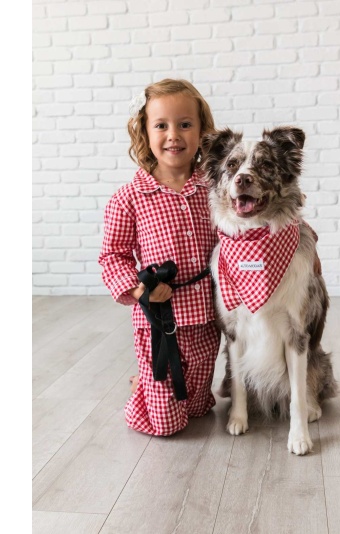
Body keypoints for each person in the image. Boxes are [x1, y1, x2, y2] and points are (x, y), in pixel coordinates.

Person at [98, 79, 221, 436]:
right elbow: (112, 256)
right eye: (161, 125)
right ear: (145, 132)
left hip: (206, 315)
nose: (174, 135)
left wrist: (303, 237)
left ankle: (158, 386)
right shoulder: (129, 197)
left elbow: (257, 213)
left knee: (198, 406)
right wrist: (140, 291)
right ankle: (146, 390)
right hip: (159, 319)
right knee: (165, 424)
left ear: (201, 131)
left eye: (185, 124)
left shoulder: (214, 188)